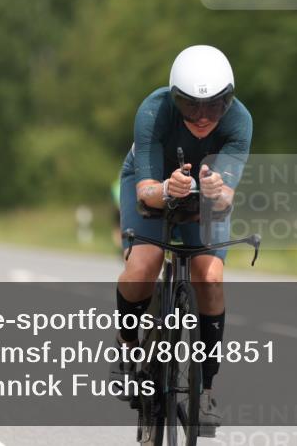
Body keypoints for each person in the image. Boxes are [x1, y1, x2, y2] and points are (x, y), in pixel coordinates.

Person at [111, 45, 251, 436]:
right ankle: (126, 347)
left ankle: (205, 389)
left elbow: (225, 199)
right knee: (143, 264)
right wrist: (168, 190)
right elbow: (146, 193)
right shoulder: (154, 111)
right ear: (175, 99)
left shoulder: (239, 122)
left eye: (215, 106)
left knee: (210, 276)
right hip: (154, 182)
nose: (203, 117)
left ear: (229, 100)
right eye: (191, 107)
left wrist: (216, 189)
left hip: (203, 195)